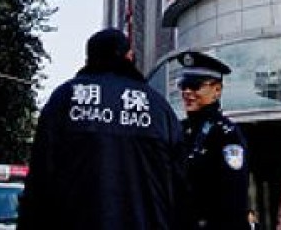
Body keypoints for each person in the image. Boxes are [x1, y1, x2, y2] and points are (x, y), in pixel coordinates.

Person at [17, 27, 187, 230]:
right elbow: (180, 189)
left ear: (88, 59)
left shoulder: (64, 99)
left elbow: (38, 183)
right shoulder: (159, 107)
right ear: (129, 56)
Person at [177, 50, 250, 230]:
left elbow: (233, 198)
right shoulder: (179, 129)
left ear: (217, 90)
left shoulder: (227, 134)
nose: (187, 92)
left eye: (195, 86)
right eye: (184, 85)